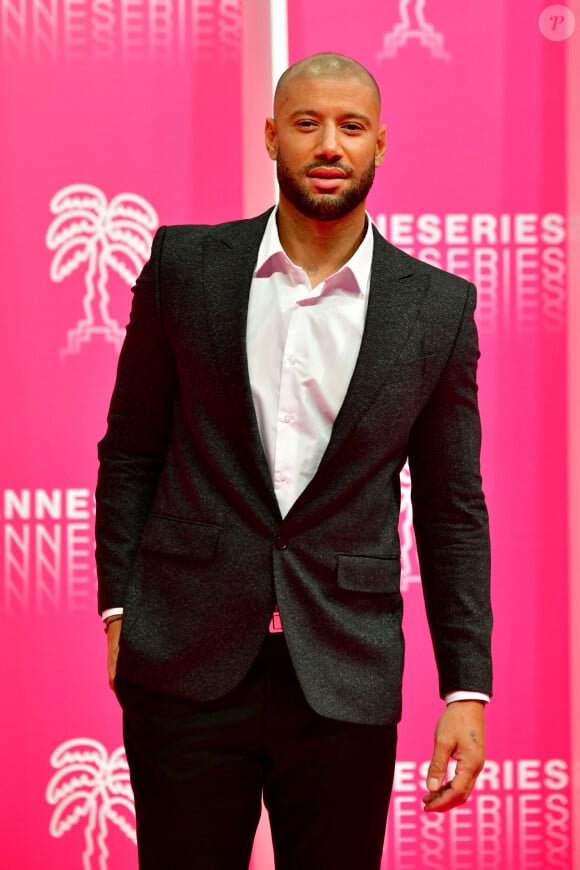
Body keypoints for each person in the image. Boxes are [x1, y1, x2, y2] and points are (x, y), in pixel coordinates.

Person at [96, 52, 492, 870]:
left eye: (351, 127)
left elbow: (453, 508)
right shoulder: (184, 268)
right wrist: (118, 609)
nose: (329, 144)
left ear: (381, 143)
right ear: (271, 134)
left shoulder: (437, 309)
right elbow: (131, 451)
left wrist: (465, 688)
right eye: (307, 123)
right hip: (185, 662)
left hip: (345, 670)